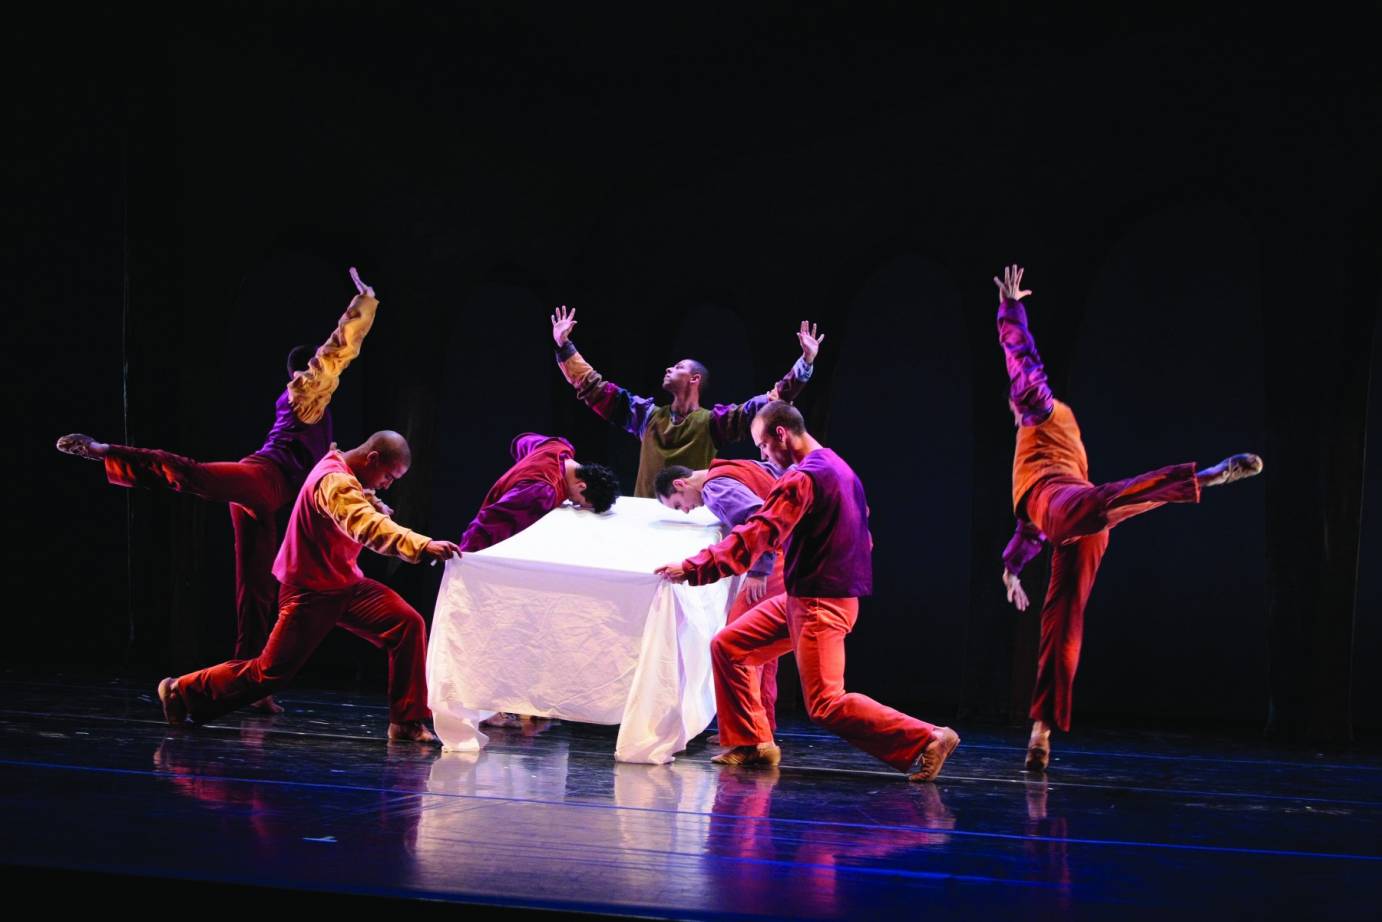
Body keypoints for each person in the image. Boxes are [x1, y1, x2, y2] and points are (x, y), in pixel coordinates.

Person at [993, 264, 1263, 771]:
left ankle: (1201, 478)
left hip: (1068, 505)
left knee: (1105, 502)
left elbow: (1023, 362)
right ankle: (1040, 733)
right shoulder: (1035, 442)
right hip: (1070, 521)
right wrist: (1011, 568)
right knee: (1061, 626)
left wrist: (1010, 309)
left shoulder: (1040, 412)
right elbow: (1029, 529)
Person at [655, 401, 960, 782]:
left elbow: (758, 533)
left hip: (820, 602)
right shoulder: (839, 467)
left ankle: (929, 738)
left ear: (781, 434)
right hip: (805, 597)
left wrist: (693, 567)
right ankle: (752, 741)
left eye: (763, 446)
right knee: (728, 647)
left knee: (826, 703)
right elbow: (865, 535)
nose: (763, 455)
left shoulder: (804, 478)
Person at [156, 431, 460, 742]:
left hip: (345, 583)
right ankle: (180, 690)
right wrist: (421, 545)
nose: (388, 484)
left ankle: (406, 722)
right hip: (310, 591)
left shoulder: (344, 471)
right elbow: (365, 525)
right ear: (372, 459)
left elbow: (359, 505)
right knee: (268, 674)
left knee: (406, 623)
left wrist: (371, 500)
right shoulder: (335, 482)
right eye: (388, 476)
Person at [550, 304, 822, 497]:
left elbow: (771, 403)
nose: (669, 369)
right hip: (646, 518)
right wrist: (565, 347)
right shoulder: (647, 416)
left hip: (691, 521)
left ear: (695, 379)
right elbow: (595, 389)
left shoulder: (714, 424)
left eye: (678, 367)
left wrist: (805, 363)